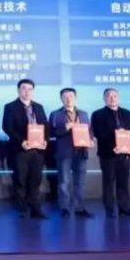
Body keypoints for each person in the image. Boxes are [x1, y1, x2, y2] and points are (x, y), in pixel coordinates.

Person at [2, 78, 48, 219]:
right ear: (18, 90)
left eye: (29, 89)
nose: (27, 92)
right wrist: (21, 141)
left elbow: (45, 126)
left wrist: (45, 140)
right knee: (20, 180)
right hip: (20, 149)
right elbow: (7, 127)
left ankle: (35, 207)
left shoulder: (39, 107)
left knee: (35, 180)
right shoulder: (10, 107)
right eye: (23, 88)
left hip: (37, 150)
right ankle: (23, 209)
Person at [90, 88, 130, 218]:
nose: (112, 98)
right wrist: (113, 146)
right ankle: (109, 209)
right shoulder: (98, 114)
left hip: (125, 153)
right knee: (108, 182)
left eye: (115, 96)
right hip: (108, 154)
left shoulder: (127, 113)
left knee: (123, 182)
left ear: (119, 98)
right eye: (109, 96)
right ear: (104, 98)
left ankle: (124, 208)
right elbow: (99, 133)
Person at [49, 87, 94, 218]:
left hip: (81, 151)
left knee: (80, 181)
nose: (68, 99)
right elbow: (51, 132)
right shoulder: (55, 114)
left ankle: (80, 207)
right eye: (65, 97)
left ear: (75, 98)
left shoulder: (84, 114)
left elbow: (89, 131)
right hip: (64, 152)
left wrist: (91, 139)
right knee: (64, 181)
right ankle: (65, 208)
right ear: (61, 99)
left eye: (71, 96)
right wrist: (65, 128)